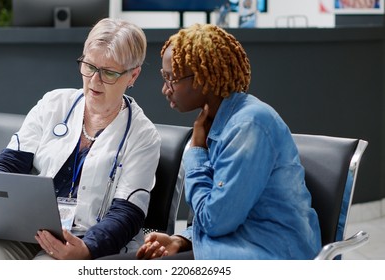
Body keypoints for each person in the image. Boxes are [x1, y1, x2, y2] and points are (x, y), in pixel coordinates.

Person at [0, 18, 161, 260]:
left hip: (85, 241)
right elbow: (7, 164)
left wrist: (87, 249)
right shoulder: (54, 104)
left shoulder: (143, 135)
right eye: (89, 66)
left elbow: (128, 213)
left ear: (133, 75)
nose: (94, 81)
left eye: (108, 73)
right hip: (27, 231)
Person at [136, 23, 322, 260]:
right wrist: (181, 240)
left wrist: (196, 152)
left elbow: (216, 222)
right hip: (234, 244)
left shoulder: (248, 125)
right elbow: (225, 215)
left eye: (172, 78)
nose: (165, 89)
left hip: (270, 253)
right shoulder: (216, 121)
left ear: (202, 78)